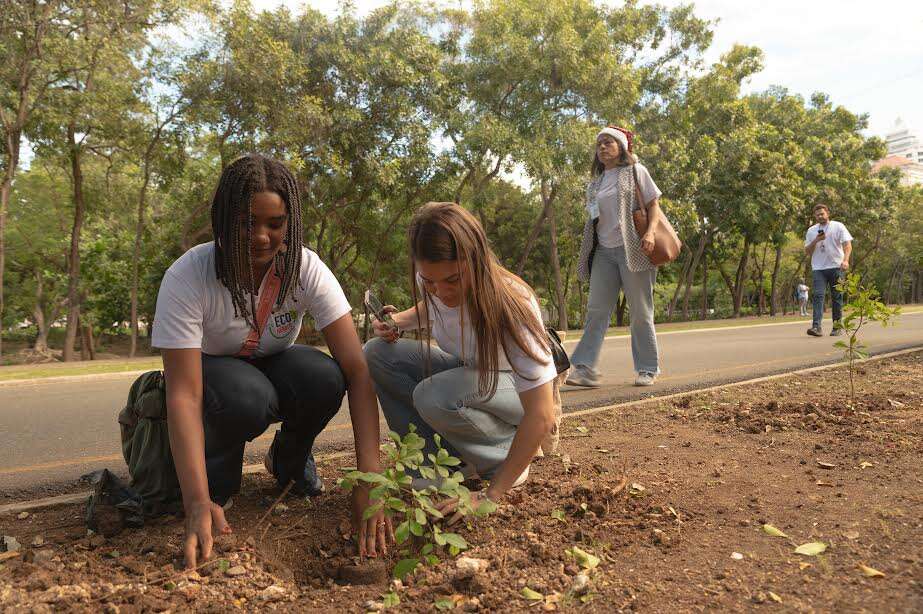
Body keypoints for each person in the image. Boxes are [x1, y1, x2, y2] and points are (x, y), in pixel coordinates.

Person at [151, 154, 392, 567]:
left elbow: (358, 371)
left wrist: (370, 481)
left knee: (324, 376)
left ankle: (289, 460)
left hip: (272, 362)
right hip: (214, 377)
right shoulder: (188, 275)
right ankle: (217, 480)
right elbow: (184, 396)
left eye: (274, 224)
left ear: (290, 222)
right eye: (245, 223)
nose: (260, 237)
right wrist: (197, 500)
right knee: (246, 395)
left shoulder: (305, 268)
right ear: (223, 219)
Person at [363, 202, 557, 511]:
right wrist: (399, 321)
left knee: (433, 395)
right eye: (429, 281)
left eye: (453, 280)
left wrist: (492, 496)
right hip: (473, 375)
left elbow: (542, 413)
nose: (441, 291)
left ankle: (502, 462)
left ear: (476, 260)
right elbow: (436, 306)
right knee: (377, 354)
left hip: (516, 397)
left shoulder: (513, 304)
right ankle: (435, 467)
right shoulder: (432, 281)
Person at [568, 126, 664, 388]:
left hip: (634, 249)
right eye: (599, 144)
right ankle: (585, 369)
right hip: (604, 253)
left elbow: (654, 205)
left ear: (621, 147)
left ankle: (647, 368)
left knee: (640, 313)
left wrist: (651, 233)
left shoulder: (635, 172)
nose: (602, 147)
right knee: (596, 311)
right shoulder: (595, 183)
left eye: (608, 142)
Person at [804, 203, 853, 336]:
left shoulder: (838, 226)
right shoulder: (811, 231)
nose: (820, 216)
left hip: (836, 267)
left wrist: (846, 260)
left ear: (828, 213)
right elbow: (807, 251)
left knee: (837, 297)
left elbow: (847, 245)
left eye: (822, 213)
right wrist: (816, 240)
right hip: (818, 268)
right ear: (815, 216)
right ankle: (816, 327)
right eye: (817, 214)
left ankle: (837, 327)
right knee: (818, 295)